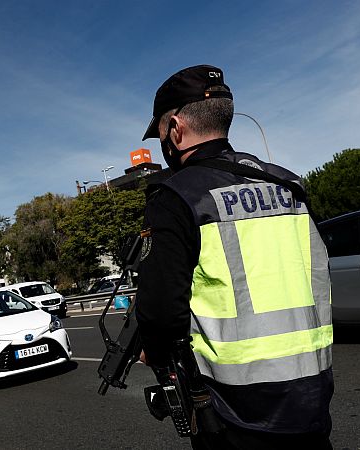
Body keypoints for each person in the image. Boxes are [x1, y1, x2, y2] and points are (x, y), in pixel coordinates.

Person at [134, 65, 333, 449]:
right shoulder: (288, 184)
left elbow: (161, 312)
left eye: (160, 133)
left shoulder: (176, 197)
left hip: (235, 409)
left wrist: (153, 351)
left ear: (175, 128)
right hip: (312, 393)